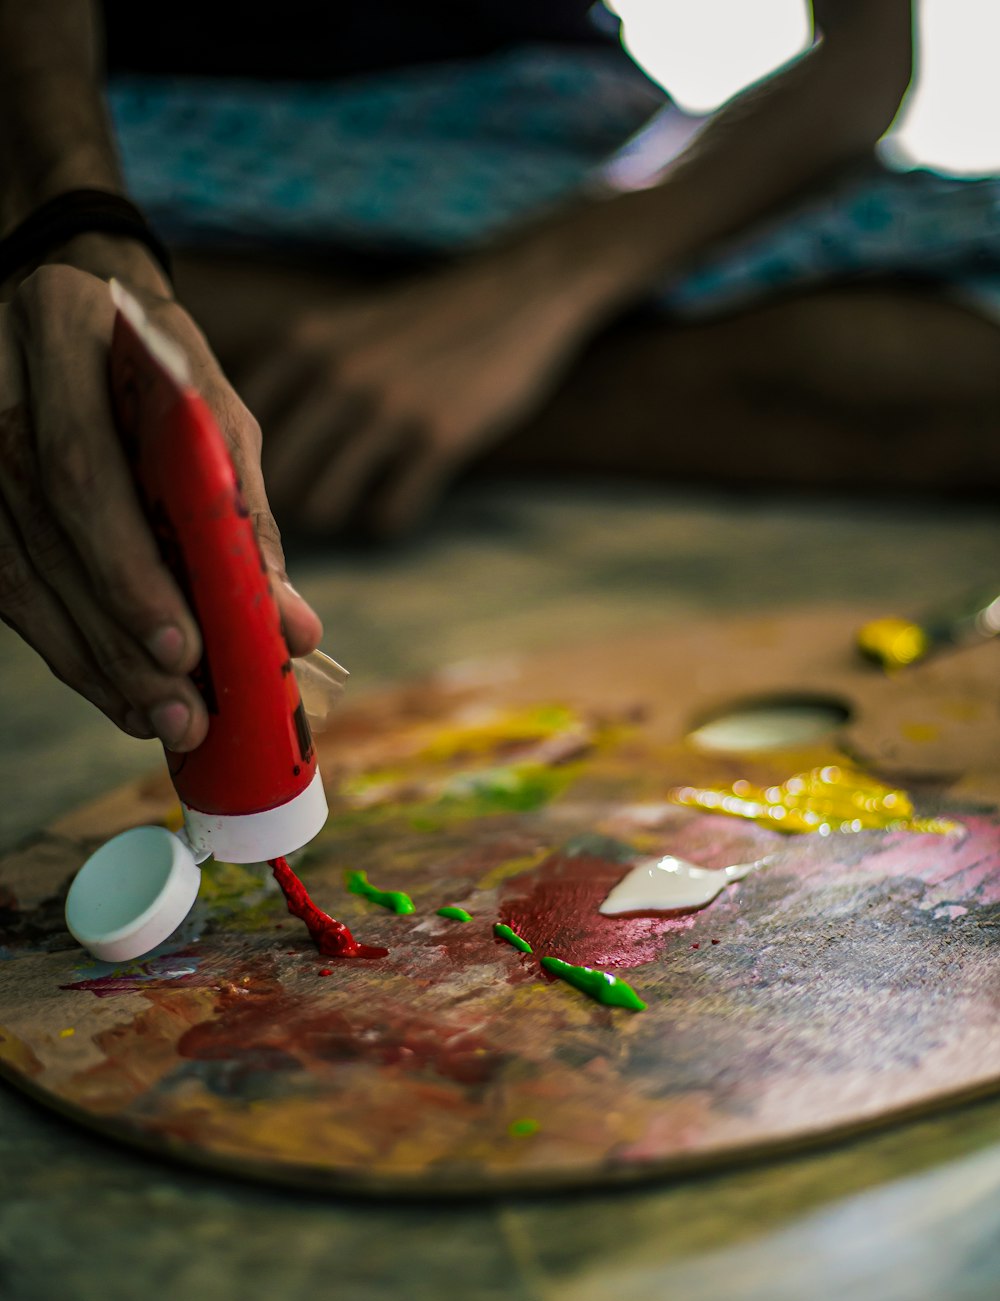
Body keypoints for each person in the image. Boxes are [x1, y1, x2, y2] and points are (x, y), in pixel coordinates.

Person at [1, 1, 997, 760]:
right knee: (74, 354)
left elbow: (863, 60)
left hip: (555, 148)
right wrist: (77, 221)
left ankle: (328, 375)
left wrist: (522, 300)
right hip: (125, 143)